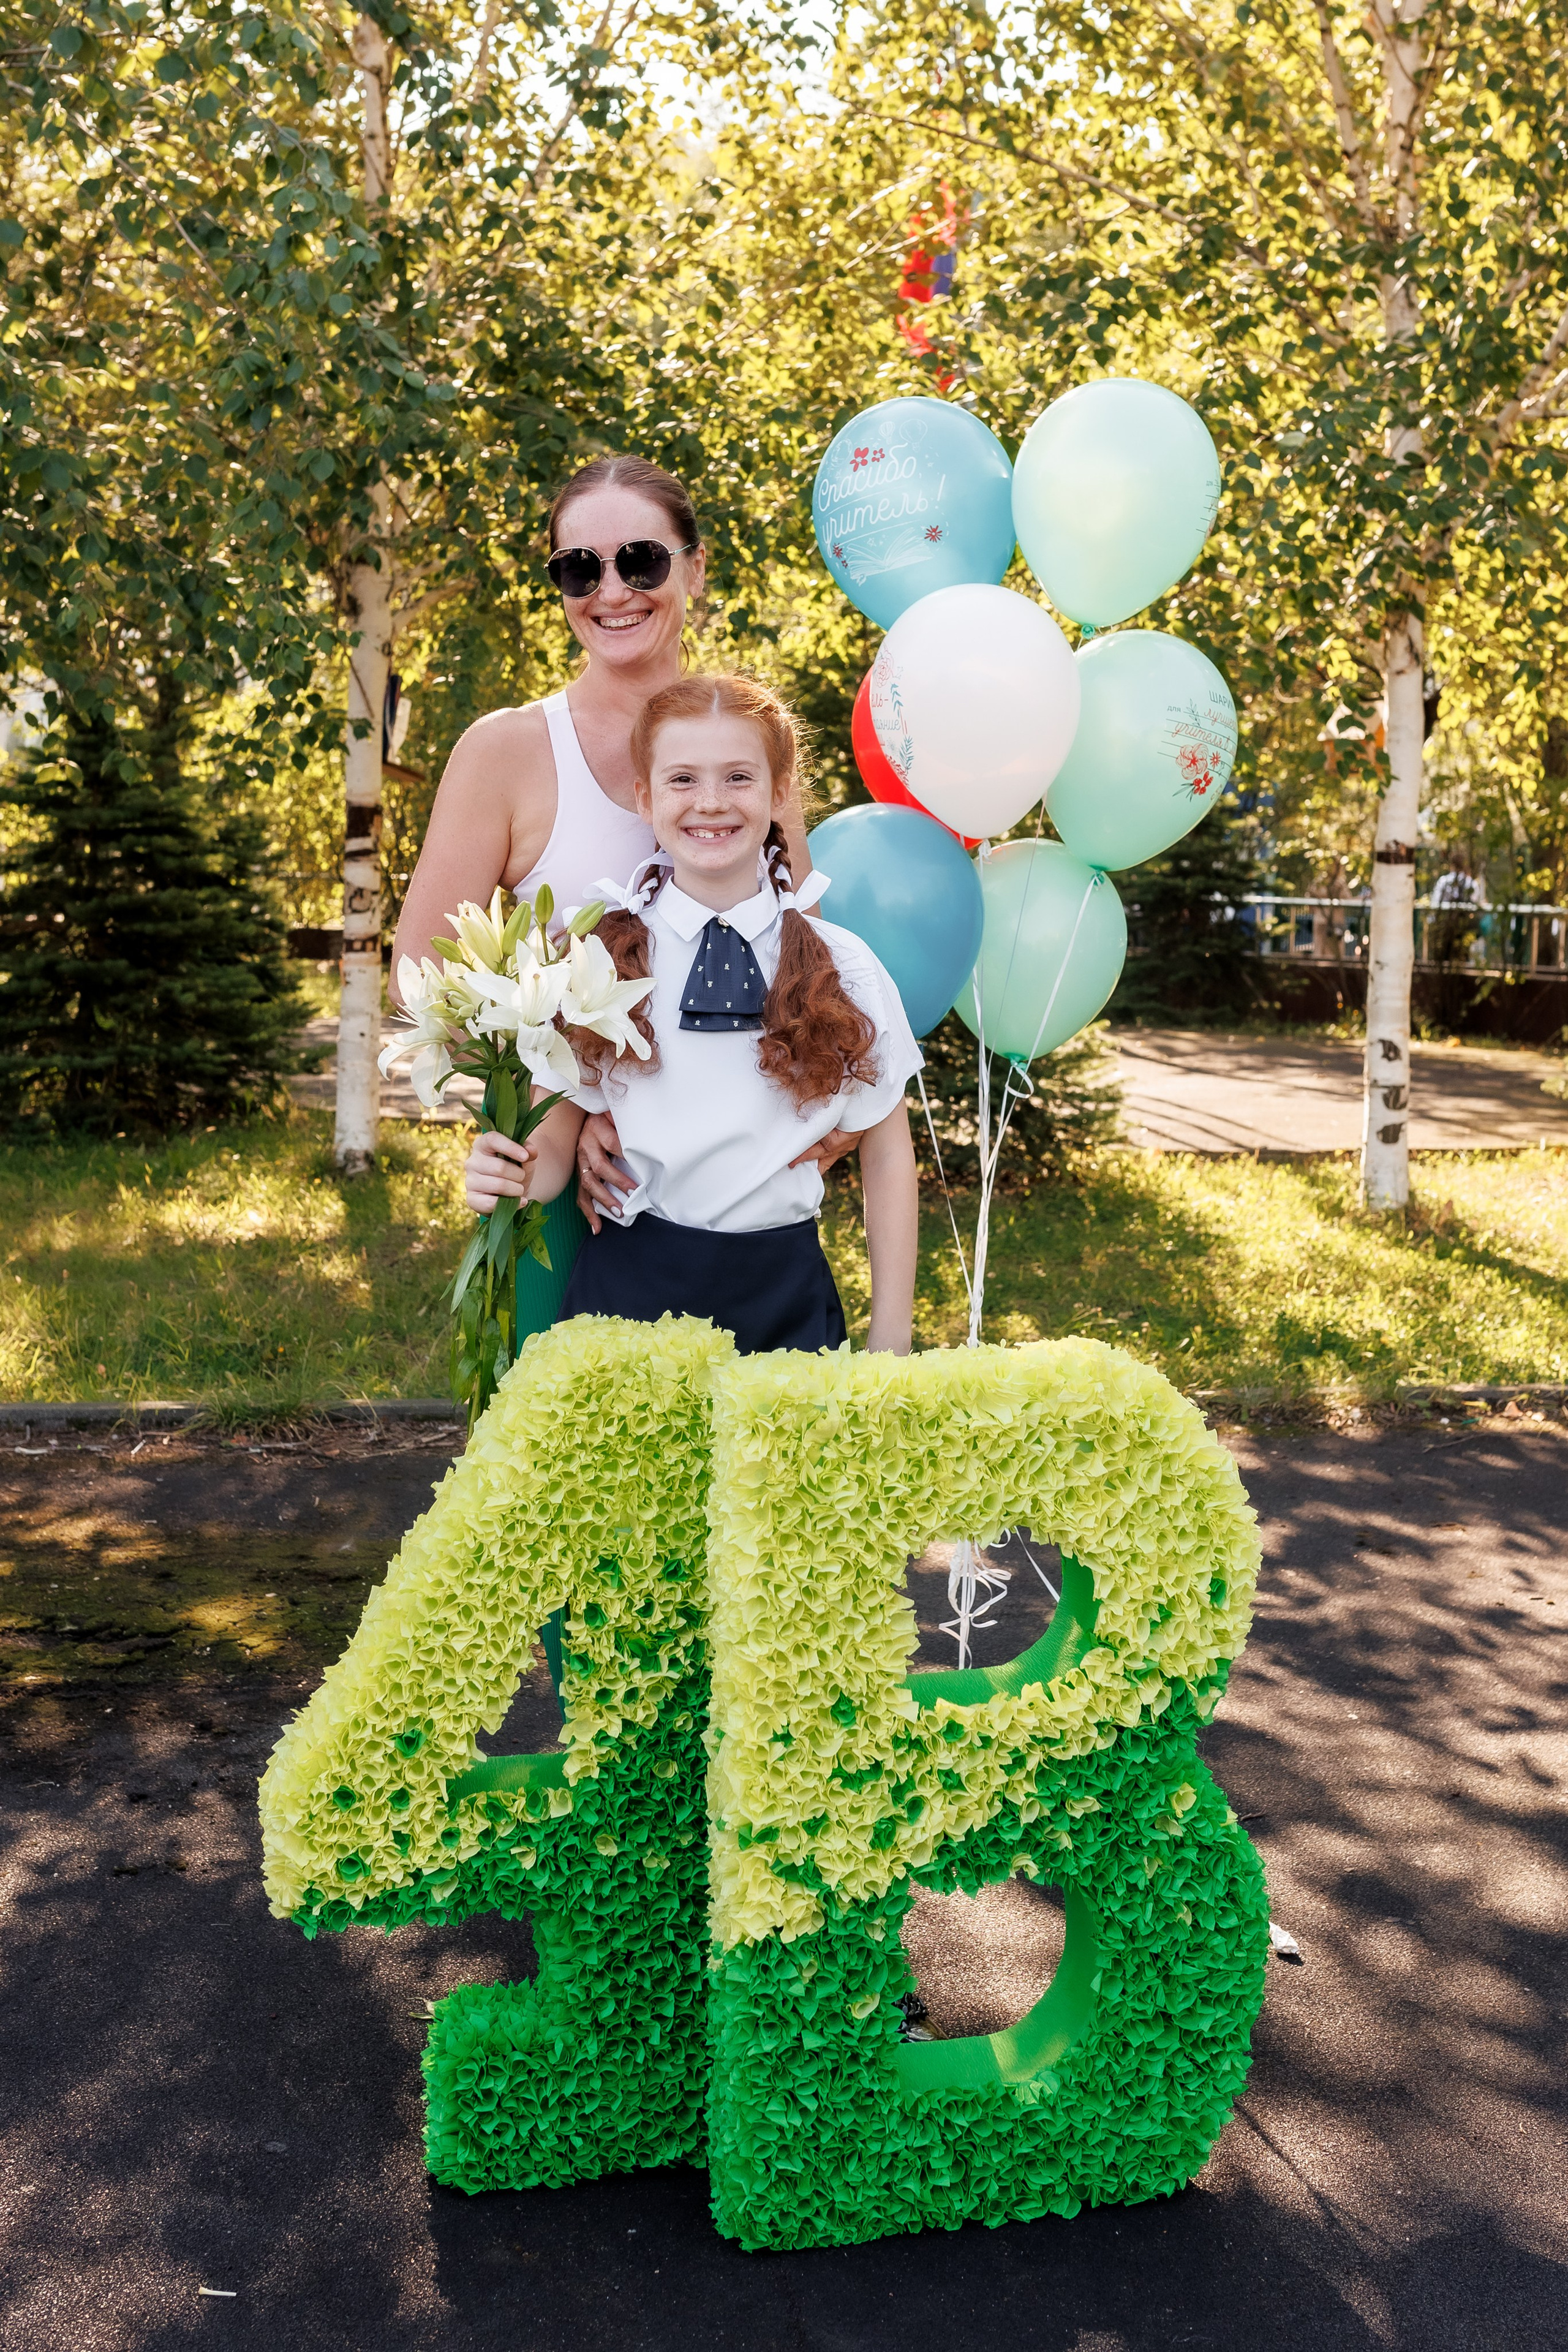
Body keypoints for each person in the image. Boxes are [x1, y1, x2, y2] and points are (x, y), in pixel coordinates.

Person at [392, 453, 863, 1321]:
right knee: (559, 1445)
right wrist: (569, 1110)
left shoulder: (750, 754)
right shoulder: (504, 754)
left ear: (695, 565)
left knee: (736, 1452)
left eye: (640, 560)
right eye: (580, 568)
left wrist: (762, 1127)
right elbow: (422, 975)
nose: (612, 591)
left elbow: (803, 984)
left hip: (727, 1224)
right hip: (567, 1194)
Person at [461, 674, 921, 1357]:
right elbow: (554, 1141)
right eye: (682, 780)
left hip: (786, 1299)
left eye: (738, 777)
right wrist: (509, 1171)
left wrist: (892, 1336)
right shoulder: (600, 958)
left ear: (779, 793)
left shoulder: (844, 965)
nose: (710, 802)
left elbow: (885, 1152)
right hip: (626, 1299)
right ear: (645, 798)